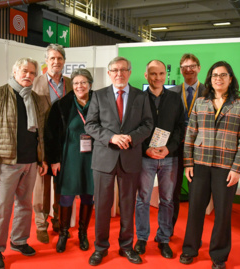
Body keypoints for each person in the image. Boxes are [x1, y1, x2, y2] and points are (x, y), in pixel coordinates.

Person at [179, 61, 240, 269]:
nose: (218, 78)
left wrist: (237, 169)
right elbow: (190, 133)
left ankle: (218, 256)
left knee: (222, 212)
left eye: (223, 75)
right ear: (210, 79)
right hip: (200, 164)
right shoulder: (201, 102)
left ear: (230, 78)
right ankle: (189, 249)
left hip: (226, 167)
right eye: (214, 75)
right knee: (195, 210)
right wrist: (188, 163)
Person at [84, 56, 153, 266]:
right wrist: (111, 137)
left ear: (130, 72)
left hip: (130, 158)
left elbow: (148, 124)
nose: (119, 74)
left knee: (127, 205)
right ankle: (100, 247)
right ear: (109, 73)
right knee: (103, 206)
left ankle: (126, 247)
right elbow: (90, 125)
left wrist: (131, 138)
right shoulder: (98, 95)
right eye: (115, 70)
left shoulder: (141, 96)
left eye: (123, 70)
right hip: (104, 159)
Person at [0, 58, 48, 269]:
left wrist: (41, 158)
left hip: (30, 161)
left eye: (32, 72)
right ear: (15, 71)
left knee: (25, 204)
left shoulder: (36, 99)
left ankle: (19, 241)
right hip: (6, 162)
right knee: (3, 207)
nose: (28, 75)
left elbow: (41, 134)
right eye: (25, 71)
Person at [134, 60, 184, 259]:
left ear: (166, 75)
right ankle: (142, 238)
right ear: (146, 75)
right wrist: (146, 150)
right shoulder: (138, 99)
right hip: (145, 157)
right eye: (153, 74)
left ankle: (164, 238)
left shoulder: (174, 98)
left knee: (168, 200)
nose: (158, 77)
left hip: (169, 157)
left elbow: (181, 127)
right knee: (143, 198)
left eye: (161, 73)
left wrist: (168, 148)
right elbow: (133, 129)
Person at [45, 69, 94, 253]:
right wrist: (54, 159)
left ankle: (83, 233)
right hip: (69, 155)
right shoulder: (62, 105)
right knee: (66, 195)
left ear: (90, 84)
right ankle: (63, 234)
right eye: (75, 83)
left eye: (83, 83)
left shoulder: (99, 102)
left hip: (92, 156)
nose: (79, 86)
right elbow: (51, 134)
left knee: (89, 195)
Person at [32, 44, 73, 243]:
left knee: (62, 184)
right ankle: (41, 224)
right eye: (52, 58)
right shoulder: (35, 82)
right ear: (46, 61)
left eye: (59, 58)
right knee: (41, 186)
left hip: (65, 143)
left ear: (64, 61)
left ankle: (58, 220)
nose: (56, 62)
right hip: (41, 142)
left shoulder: (71, 83)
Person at [169, 53, 205, 234]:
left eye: (192, 66)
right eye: (184, 67)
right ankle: (168, 231)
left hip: (199, 149)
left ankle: (193, 235)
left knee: (196, 194)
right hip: (176, 148)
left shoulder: (208, 92)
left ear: (199, 68)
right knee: (173, 192)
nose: (188, 70)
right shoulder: (172, 92)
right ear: (180, 70)